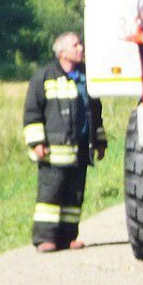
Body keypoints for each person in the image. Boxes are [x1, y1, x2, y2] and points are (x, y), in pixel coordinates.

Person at [23, 32, 107, 253]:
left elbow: (95, 113)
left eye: (80, 44)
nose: (81, 48)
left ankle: (69, 237)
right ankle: (44, 238)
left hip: (80, 150)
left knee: (74, 196)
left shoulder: (87, 77)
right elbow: (32, 112)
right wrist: (37, 142)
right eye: (75, 45)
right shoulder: (44, 77)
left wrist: (99, 141)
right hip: (54, 152)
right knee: (50, 196)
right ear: (62, 52)